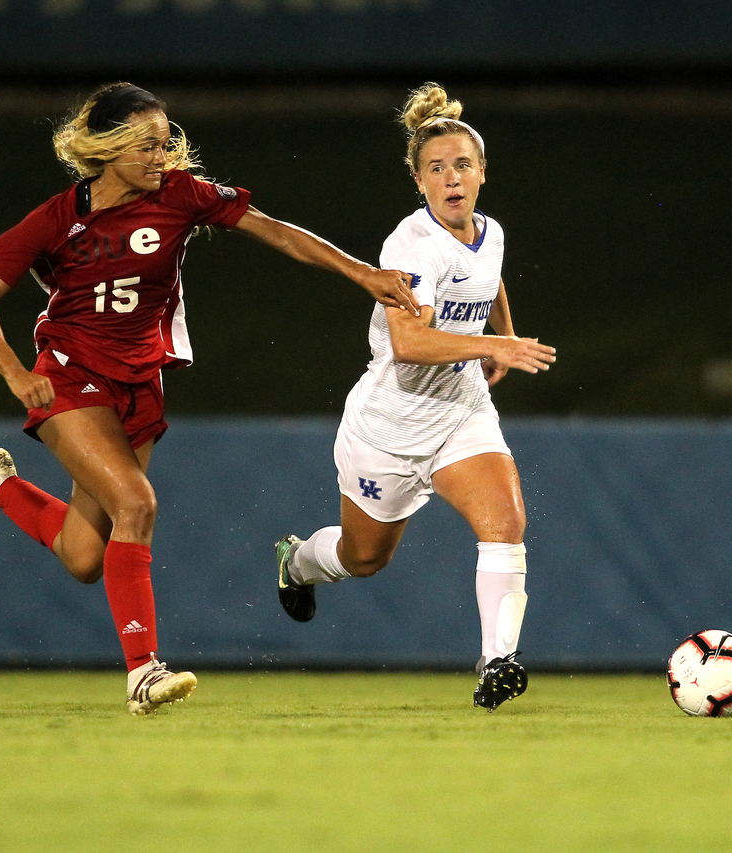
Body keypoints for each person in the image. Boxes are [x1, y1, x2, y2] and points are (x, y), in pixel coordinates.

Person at [0, 82, 417, 715]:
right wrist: (11, 372)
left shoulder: (180, 195)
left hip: (140, 384)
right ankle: (144, 673)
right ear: (107, 147)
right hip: (70, 374)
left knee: (85, 557)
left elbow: (276, 232)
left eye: (167, 142)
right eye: (146, 143)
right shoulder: (57, 218)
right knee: (137, 505)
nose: (161, 155)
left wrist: (364, 274)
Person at [273, 83, 556, 712]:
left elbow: (489, 275)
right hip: (390, 424)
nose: (451, 178)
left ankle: (498, 661)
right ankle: (298, 563)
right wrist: (491, 349)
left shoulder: (492, 231)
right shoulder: (410, 247)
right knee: (363, 557)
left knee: (505, 521)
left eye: (462, 165)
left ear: (482, 173)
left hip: (460, 412)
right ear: (419, 182)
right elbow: (409, 344)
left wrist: (501, 331)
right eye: (436, 168)